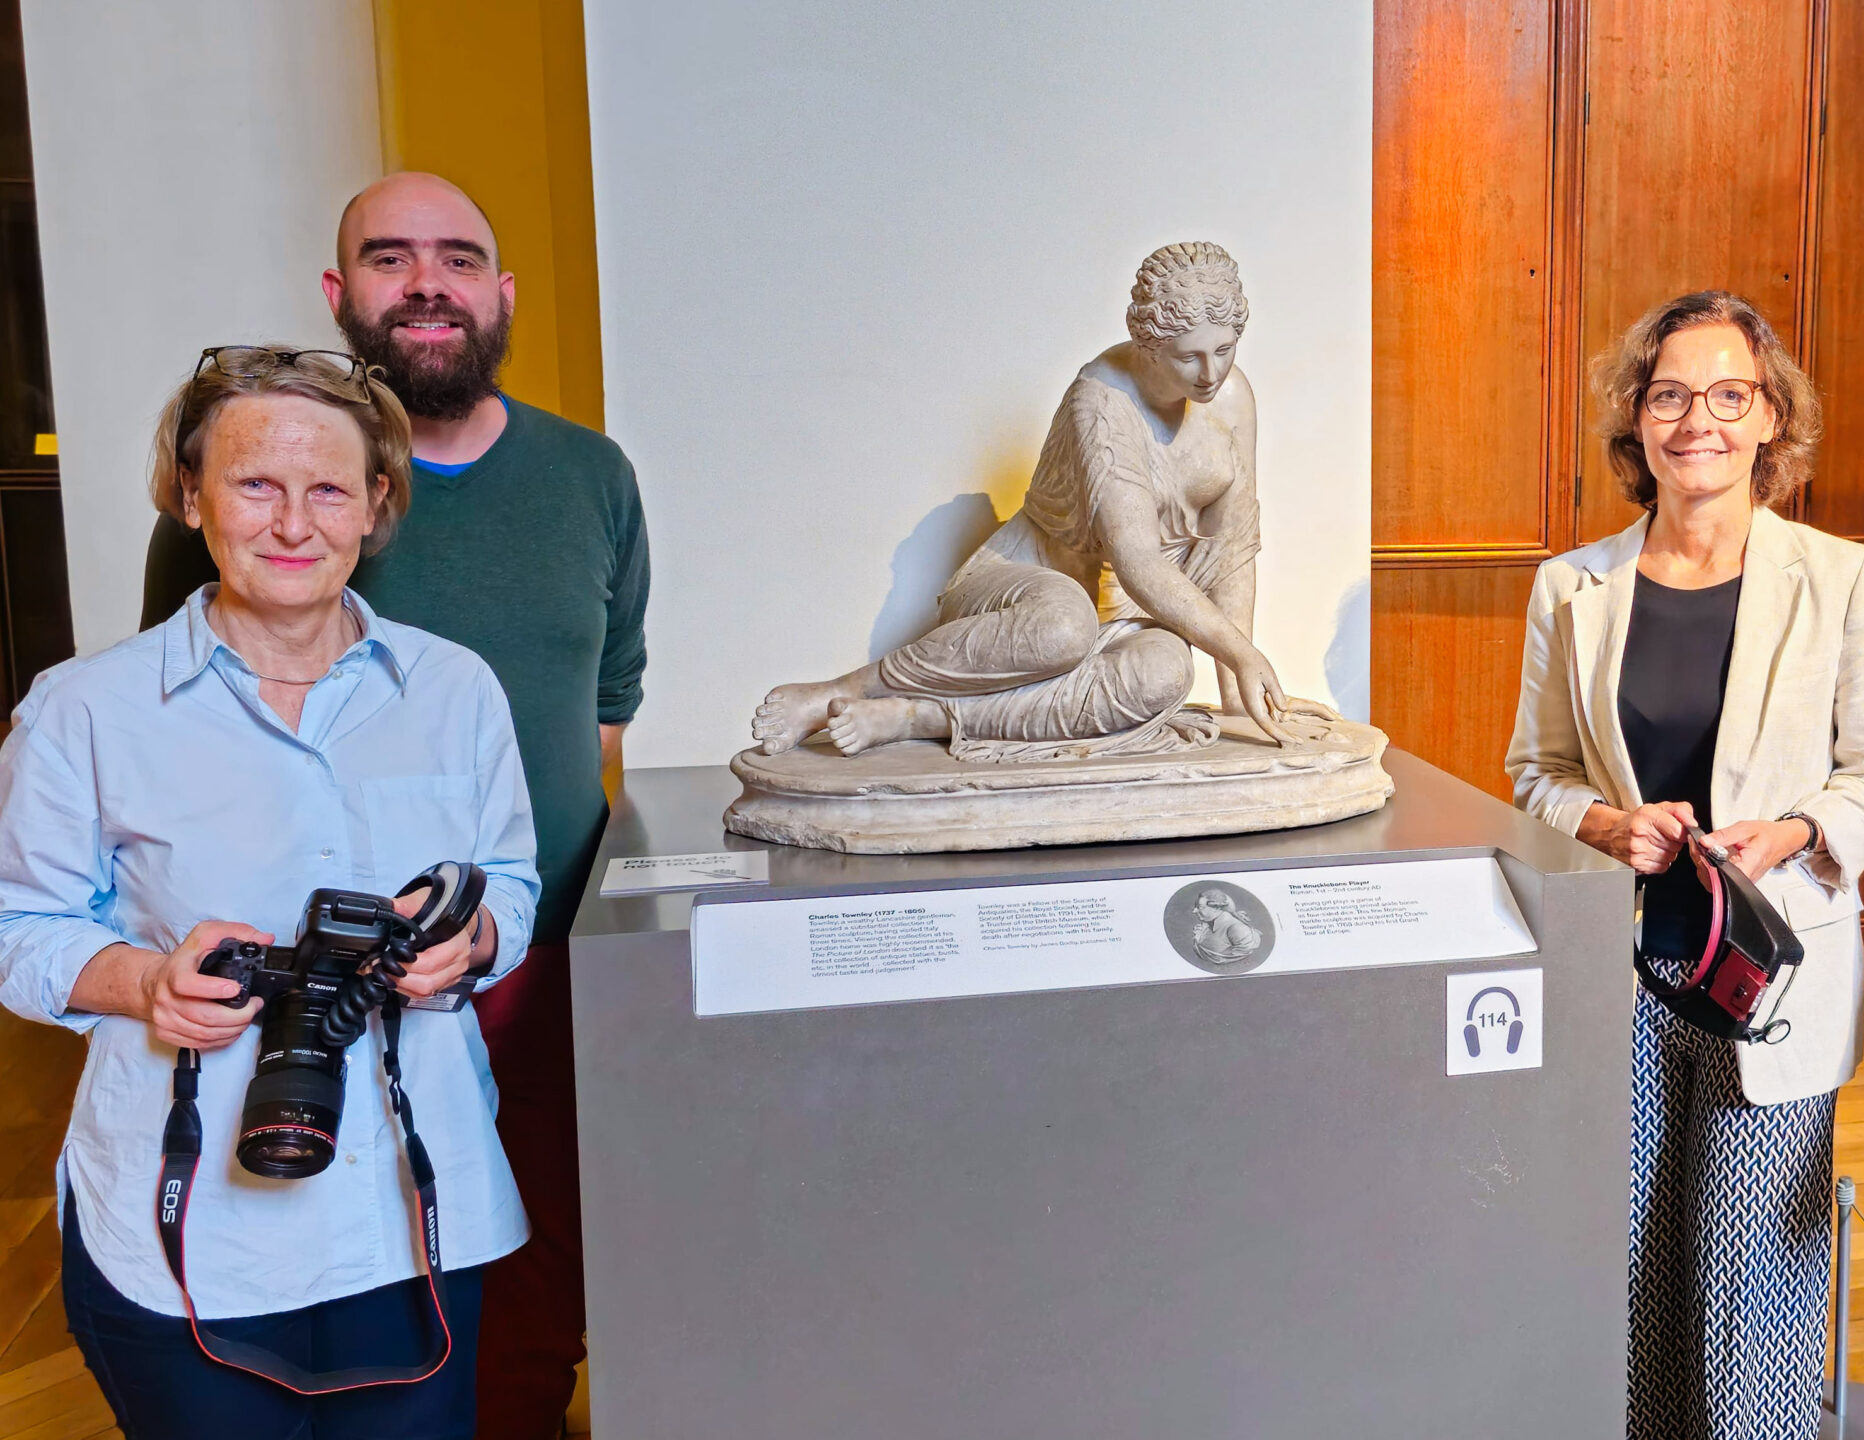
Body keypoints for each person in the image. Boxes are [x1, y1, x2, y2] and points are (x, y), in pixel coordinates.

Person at [138, 173, 651, 1440]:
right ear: (339, 294)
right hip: (308, 965)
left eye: (459, 258)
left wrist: (500, 911)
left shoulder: (591, 477)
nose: (427, 282)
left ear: (500, 293)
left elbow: (602, 713)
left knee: (533, 1254)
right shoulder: (243, 500)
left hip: (533, 960)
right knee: (331, 1246)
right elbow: (175, 734)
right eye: (388, 258)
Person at [0, 346, 542, 1440]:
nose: (294, 522)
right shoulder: (83, 710)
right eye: (256, 484)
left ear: (376, 505)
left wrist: (473, 940)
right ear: (189, 495)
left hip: (412, 1201)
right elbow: (18, 933)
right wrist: (149, 979)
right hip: (187, 1222)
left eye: (330, 488)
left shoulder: (455, 688)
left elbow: (514, 882)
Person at [1505, 290, 1864, 1438]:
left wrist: (1787, 833)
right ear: (1635, 420)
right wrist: (1602, 824)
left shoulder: (1842, 579)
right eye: (1671, 394)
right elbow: (1533, 771)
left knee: (1746, 1284)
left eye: (1729, 394)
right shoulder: (1571, 588)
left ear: (1769, 417)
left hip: (1766, 975)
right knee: (1627, 1254)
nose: (1700, 420)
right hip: (1622, 972)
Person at [750, 241, 1330, 761]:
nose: (1211, 373)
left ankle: (922, 719)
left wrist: (1240, 689)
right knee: (1064, 627)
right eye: (1189, 357)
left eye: (1225, 350)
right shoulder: (1102, 400)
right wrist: (1244, 653)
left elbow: (1230, 548)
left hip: (1125, 620)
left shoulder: (1232, 399)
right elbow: (1140, 563)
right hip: (1024, 590)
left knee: (1168, 671)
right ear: (1148, 345)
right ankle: (842, 691)